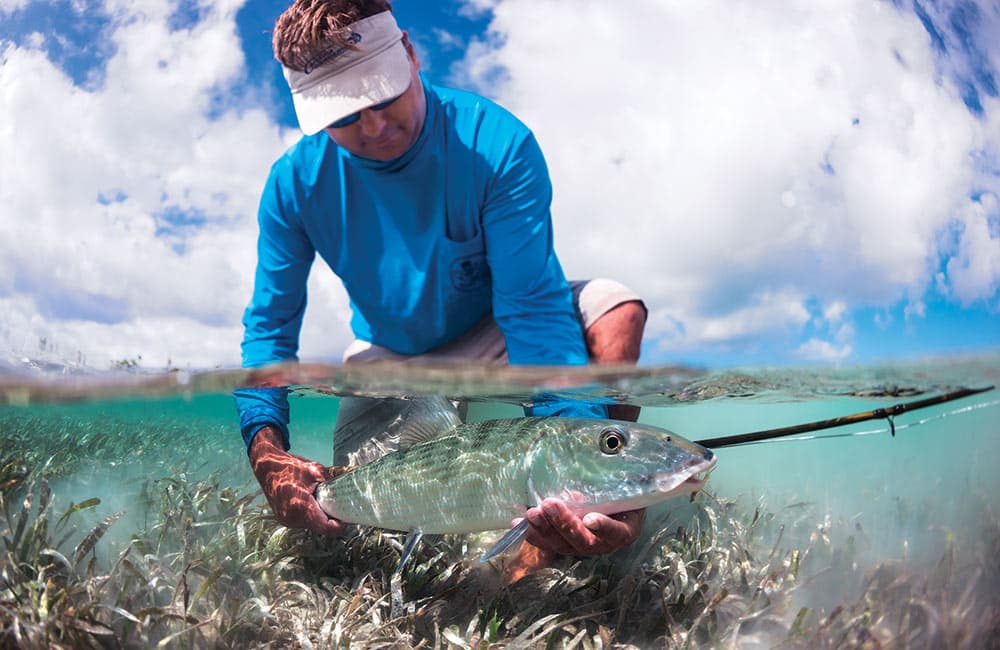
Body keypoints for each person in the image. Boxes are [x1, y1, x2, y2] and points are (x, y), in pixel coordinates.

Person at [234, 0, 648, 578]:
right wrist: (269, 457)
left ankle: (598, 506)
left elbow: (532, 311)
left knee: (616, 309)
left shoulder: (496, 143)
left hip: (494, 324)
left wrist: (571, 436)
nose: (374, 127)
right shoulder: (292, 185)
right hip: (388, 351)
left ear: (408, 51)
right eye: (345, 115)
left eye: (383, 96)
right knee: (363, 524)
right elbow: (269, 332)